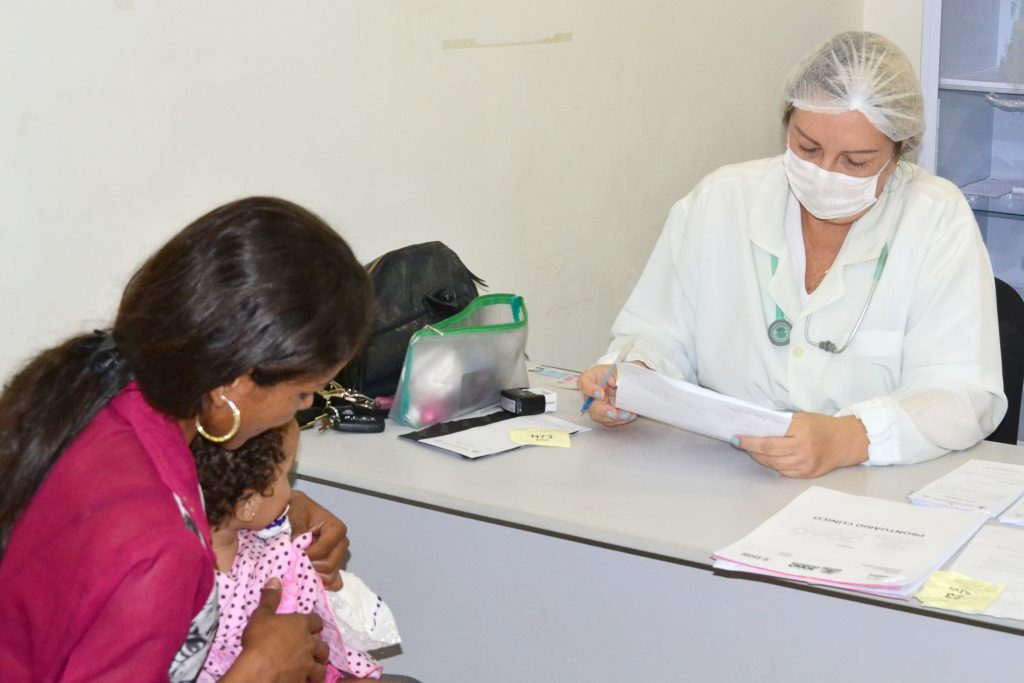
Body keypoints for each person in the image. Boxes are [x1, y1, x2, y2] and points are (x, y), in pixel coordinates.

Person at [579, 31, 1007, 478]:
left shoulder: (935, 218)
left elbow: (962, 393)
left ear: (899, 151)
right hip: (726, 477)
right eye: (807, 148)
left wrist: (848, 437)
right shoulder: (723, 200)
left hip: (878, 487)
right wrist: (628, 378)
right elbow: (659, 335)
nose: (824, 174)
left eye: (855, 162)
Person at [0, 197, 374, 682]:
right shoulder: (161, 554)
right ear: (231, 386)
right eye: (304, 394)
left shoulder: (95, 394)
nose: (302, 409)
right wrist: (258, 671)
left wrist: (280, 510)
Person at [192, 421, 395, 681]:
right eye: (287, 476)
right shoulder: (226, 586)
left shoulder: (239, 535)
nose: (291, 493)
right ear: (248, 504)